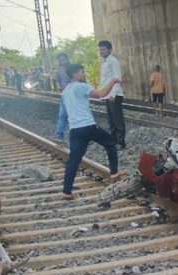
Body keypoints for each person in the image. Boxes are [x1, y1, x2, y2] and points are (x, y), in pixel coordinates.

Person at [61, 63, 125, 200]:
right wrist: (113, 81)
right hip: (88, 126)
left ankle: (66, 191)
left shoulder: (66, 90)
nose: (84, 74)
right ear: (74, 74)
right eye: (81, 72)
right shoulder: (81, 86)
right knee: (111, 143)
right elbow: (101, 94)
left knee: (74, 160)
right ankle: (114, 172)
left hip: (75, 130)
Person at [98, 40, 126, 149]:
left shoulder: (113, 61)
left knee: (117, 120)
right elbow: (104, 81)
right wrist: (102, 94)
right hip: (107, 95)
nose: (102, 52)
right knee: (111, 121)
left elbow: (117, 78)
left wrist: (113, 94)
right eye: (100, 50)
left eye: (104, 49)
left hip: (114, 95)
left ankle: (121, 143)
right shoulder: (104, 63)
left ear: (109, 50)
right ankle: (113, 141)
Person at [54, 53, 71, 141]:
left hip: (73, 95)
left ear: (67, 59)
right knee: (62, 115)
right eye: (61, 60)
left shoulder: (72, 69)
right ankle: (59, 134)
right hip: (64, 95)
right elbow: (57, 80)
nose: (63, 62)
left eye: (64, 59)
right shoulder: (59, 70)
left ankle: (78, 135)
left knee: (73, 115)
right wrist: (58, 85)